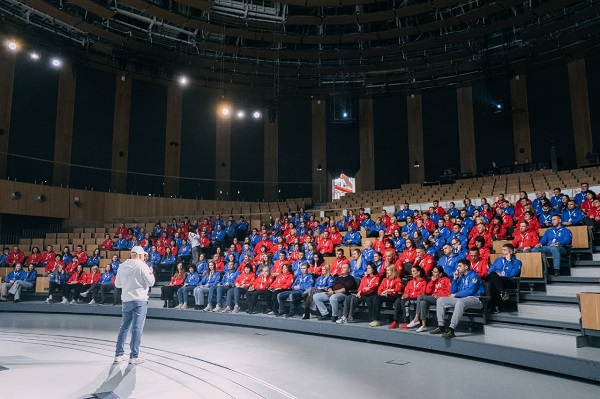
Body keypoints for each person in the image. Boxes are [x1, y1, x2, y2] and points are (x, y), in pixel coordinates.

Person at [114, 246, 155, 365]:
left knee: (124, 327)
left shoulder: (122, 266)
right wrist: (151, 273)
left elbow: (118, 284)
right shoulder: (142, 266)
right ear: (141, 255)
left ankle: (119, 354)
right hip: (139, 300)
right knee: (137, 328)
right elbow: (151, 282)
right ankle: (134, 356)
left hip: (126, 300)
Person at [430, 259, 484, 338]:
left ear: (466, 267)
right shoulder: (462, 277)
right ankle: (441, 326)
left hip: (476, 299)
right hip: (463, 299)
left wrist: (456, 294)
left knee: (460, 302)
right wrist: (455, 279)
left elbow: (471, 291)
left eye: (460, 266)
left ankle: (451, 329)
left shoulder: (474, 276)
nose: (457, 268)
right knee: (441, 300)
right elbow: (453, 291)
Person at [406, 266, 451, 332]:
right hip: (433, 298)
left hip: (441, 299)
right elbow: (427, 291)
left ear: (440, 274)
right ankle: (423, 325)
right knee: (422, 302)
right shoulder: (434, 280)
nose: (433, 273)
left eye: (435, 272)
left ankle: (416, 318)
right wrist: (432, 282)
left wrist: (440, 296)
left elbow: (449, 292)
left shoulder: (446, 280)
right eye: (433, 272)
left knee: (420, 297)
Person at [487, 243, 522, 313]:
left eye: (505, 250)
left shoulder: (517, 262)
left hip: (508, 281)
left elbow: (513, 274)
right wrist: (497, 274)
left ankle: (492, 306)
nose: (502, 252)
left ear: (511, 252)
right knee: (493, 275)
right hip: (496, 279)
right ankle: (502, 292)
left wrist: (509, 262)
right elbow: (490, 271)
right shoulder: (497, 260)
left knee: (492, 284)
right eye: (502, 250)